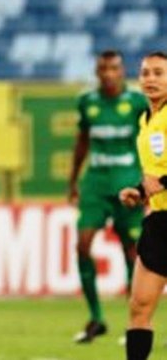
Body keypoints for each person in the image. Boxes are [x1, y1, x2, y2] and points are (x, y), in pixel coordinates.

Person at [67, 50, 148, 343]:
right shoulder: (87, 102)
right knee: (83, 245)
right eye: (103, 69)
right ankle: (96, 318)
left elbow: (151, 141)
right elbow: (82, 142)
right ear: (97, 71)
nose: (109, 74)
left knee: (133, 252)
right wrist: (73, 180)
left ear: (122, 70)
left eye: (114, 68)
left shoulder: (138, 102)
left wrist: (149, 183)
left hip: (128, 184)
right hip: (95, 185)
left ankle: (134, 323)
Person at [120, 51, 167, 360]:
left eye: (159, 73)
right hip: (161, 221)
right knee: (139, 306)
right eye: (146, 73)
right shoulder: (145, 120)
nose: (150, 79)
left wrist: (162, 183)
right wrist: (139, 191)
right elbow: (156, 171)